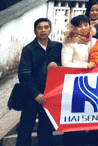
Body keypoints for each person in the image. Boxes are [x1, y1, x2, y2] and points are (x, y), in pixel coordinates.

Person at [16, 18, 62, 146]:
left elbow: (64, 65)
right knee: (25, 127)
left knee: (46, 128)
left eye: (46, 27)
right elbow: (24, 74)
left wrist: (57, 65)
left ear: (50, 29)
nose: (43, 30)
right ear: (35, 31)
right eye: (39, 28)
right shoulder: (29, 49)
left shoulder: (57, 47)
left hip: (50, 94)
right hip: (31, 95)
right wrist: (35, 94)